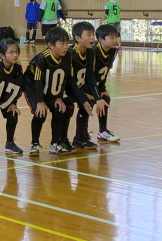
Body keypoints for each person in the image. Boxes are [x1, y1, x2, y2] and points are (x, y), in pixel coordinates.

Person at [24, 27, 91, 155]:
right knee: (41, 113)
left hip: (50, 87)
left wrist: (61, 97)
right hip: (33, 87)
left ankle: (55, 143)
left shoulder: (68, 56)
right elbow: (38, 81)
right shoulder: (42, 58)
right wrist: (40, 101)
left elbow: (68, 80)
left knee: (60, 108)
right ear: (50, 45)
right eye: (62, 43)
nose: (66, 47)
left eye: (67, 43)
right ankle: (34, 143)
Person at [69, 21, 107, 150]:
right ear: (77, 38)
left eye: (93, 35)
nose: (92, 38)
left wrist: (98, 97)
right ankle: (61, 140)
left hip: (78, 87)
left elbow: (90, 76)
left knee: (90, 101)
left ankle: (80, 137)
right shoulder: (71, 53)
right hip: (67, 88)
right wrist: (83, 99)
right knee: (70, 107)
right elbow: (70, 81)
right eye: (88, 35)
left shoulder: (90, 52)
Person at [93, 24, 121, 142]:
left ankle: (102, 131)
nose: (115, 40)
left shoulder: (113, 50)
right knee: (87, 103)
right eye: (112, 38)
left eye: (116, 37)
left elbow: (106, 70)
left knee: (105, 98)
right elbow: (90, 75)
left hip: (97, 84)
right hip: (86, 84)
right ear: (101, 40)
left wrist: (102, 88)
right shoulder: (94, 51)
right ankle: (81, 135)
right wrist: (96, 95)